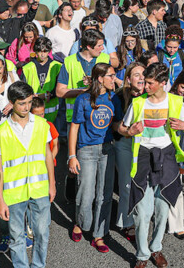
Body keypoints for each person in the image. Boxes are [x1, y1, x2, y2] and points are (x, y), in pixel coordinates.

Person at [122, 62, 184, 268]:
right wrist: (129, 132)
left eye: (149, 83)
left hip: (166, 157)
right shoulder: (138, 103)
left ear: (163, 83)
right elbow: (123, 127)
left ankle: (156, 248)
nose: (144, 86)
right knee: (143, 211)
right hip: (144, 158)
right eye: (145, 82)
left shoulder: (175, 101)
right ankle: (142, 255)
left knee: (163, 208)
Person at [0, 82, 56, 268]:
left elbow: (47, 154)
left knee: (42, 233)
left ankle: (38, 265)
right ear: (11, 102)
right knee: (16, 236)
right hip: (13, 194)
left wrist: (52, 184)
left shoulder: (42, 125)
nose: (27, 107)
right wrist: (0, 199)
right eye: (22, 103)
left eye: (29, 102)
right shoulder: (1, 133)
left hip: (40, 190)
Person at [68, 62, 118, 253]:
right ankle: (81, 223)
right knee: (85, 192)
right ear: (100, 78)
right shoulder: (83, 99)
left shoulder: (114, 99)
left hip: (107, 150)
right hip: (86, 150)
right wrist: (72, 155)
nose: (114, 79)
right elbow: (74, 127)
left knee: (104, 194)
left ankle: (99, 234)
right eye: (111, 76)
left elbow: (117, 124)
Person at [110, 63, 145, 240]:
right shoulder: (119, 96)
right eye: (136, 75)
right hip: (124, 143)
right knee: (126, 184)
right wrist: (128, 131)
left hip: (145, 146)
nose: (141, 78)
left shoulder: (150, 96)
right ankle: (127, 221)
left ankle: (143, 217)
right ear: (128, 79)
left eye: (143, 74)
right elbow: (114, 124)